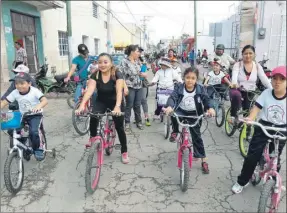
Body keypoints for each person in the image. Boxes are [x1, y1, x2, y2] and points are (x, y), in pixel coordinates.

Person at [231, 66, 287, 194]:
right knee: (252, 156)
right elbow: (256, 108)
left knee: (276, 157)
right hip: (264, 126)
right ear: (271, 80)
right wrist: (250, 118)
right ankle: (242, 181)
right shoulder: (266, 93)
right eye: (274, 78)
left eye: (282, 79)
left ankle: (273, 180)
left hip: (281, 129)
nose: (277, 82)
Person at [75, 53, 129, 164]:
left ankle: (124, 151)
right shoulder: (96, 75)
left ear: (111, 63)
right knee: (94, 115)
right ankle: (92, 138)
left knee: (119, 127)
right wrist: (81, 106)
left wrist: (117, 107)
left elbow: (120, 92)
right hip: (101, 101)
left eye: (105, 62)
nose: (102, 65)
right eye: (100, 62)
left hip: (116, 102)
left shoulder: (117, 74)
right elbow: (89, 91)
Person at [163, 67, 216, 174]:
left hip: (194, 113)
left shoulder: (200, 88)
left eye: (193, 78)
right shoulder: (179, 87)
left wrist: (210, 108)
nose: (190, 80)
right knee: (173, 114)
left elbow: (206, 99)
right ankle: (175, 131)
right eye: (187, 78)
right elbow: (173, 97)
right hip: (181, 111)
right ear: (184, 78)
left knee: (197, 136)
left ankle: (203, 160)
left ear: (196, 79)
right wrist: (169, 106)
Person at [0, 72, 48, 161]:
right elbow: (4, 102)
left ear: (29, 83)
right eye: (16, 83)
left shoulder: (34, 91)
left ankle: (38, 149)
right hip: (23, 115)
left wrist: (38, 106)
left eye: (22, 83)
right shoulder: (15, 92)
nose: (19, 86)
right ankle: (22, 145)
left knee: (33, 132)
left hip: (35, 115)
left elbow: (44, 100)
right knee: (11, 130)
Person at [229, 45, 272, 122]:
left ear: (254, 54)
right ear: (242, 55)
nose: (248, 55)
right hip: (237, 89)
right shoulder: (238, 65)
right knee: (236, 95)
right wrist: (234, 83)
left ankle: (246, 129)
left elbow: (264, 79)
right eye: (245, 53)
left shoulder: (257, 66)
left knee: (248, 114)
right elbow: (234, 76)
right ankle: (233, 116)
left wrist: (272, 89)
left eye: (250, 53)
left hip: (250, 91)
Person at [119, 45, 147, 131]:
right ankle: (127, 122)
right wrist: (124, 87)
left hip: (139, 86)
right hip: (129, 86)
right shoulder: (124, 62)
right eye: (137, 51)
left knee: (137, 105)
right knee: (129, 105)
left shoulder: (138, 61)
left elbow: (142, 72)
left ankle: (138, 121)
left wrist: (144, 74)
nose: (139, 53)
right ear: (132, 52)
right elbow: (120, 75)